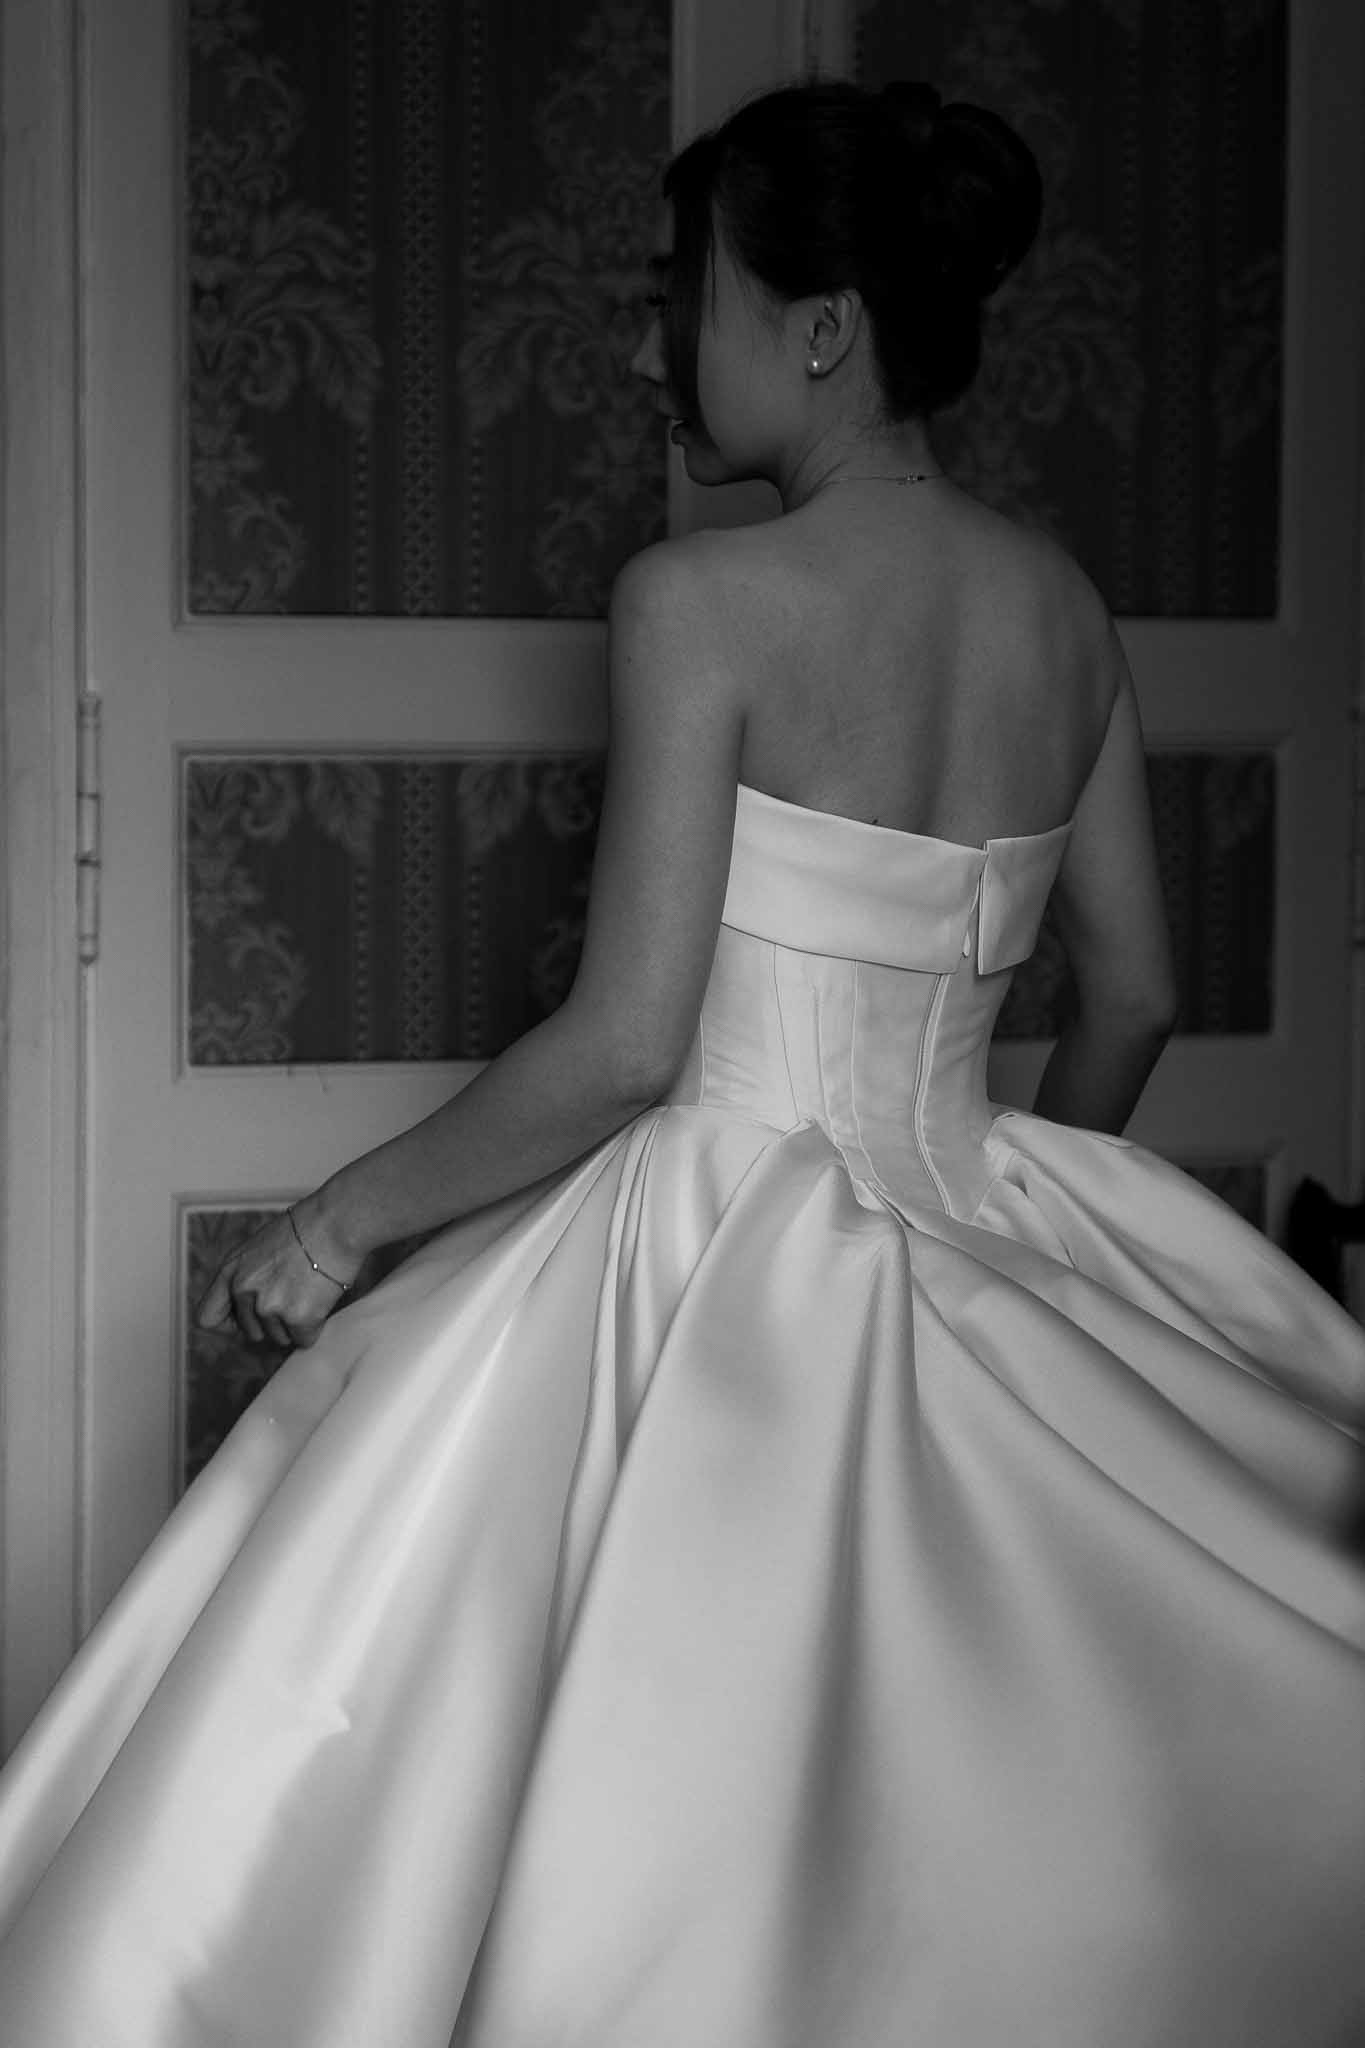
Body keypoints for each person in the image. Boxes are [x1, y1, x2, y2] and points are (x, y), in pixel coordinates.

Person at [0, 76, 1361, 2048]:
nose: (657, 338)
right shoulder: (1060, 613)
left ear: (816, 326)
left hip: (710, 1275)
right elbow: (1132, 992)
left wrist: (332, 1227)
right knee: (947, 1859)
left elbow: (631, 1043)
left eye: (683, 289)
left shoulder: (697, 602)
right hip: (957, 1208)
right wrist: (989, 1239)